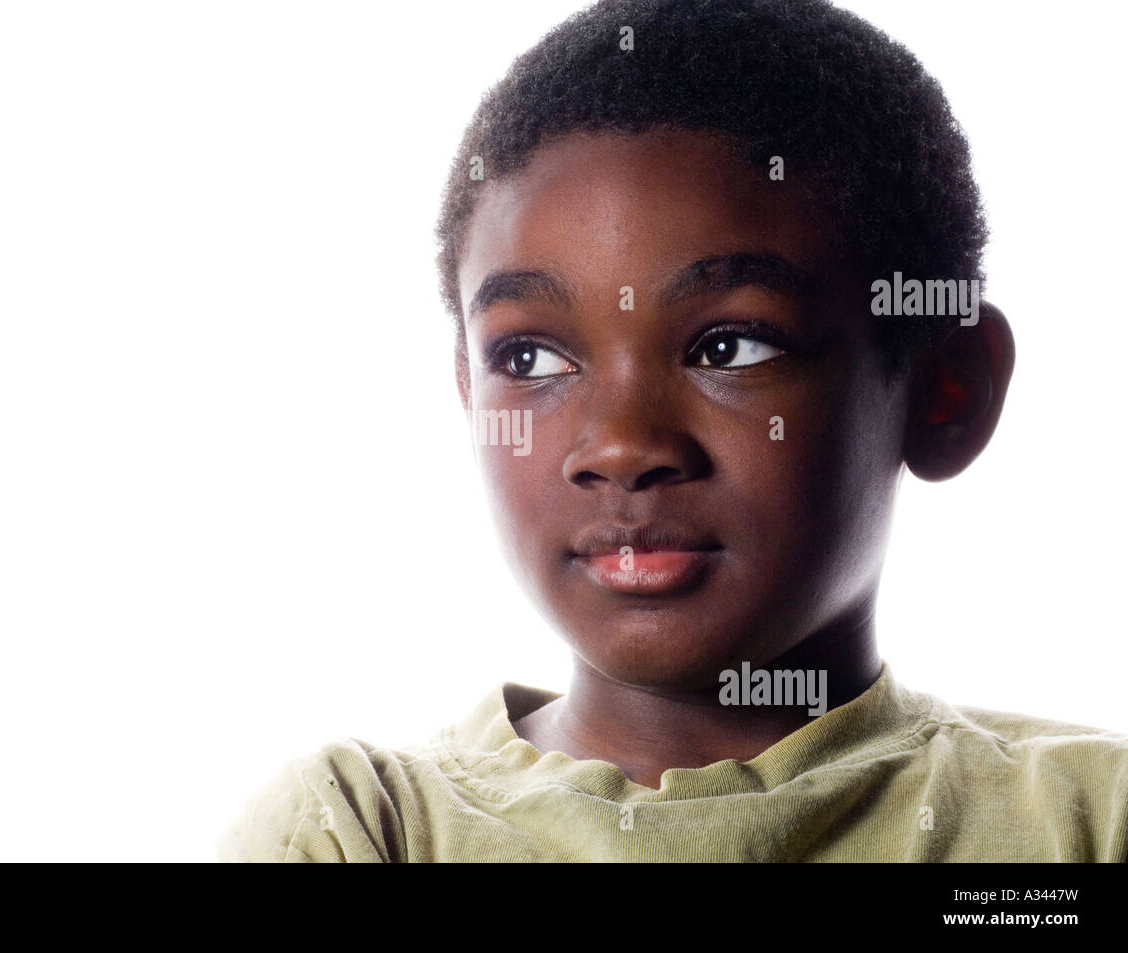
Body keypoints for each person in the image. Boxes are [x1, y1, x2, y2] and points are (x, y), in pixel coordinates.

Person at [218, 0, 1128, 861]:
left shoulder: (1084, 827)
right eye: (531, 360)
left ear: (946, 390)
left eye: (728, 345)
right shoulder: (365, 829)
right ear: (468, 392)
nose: (619, 445)